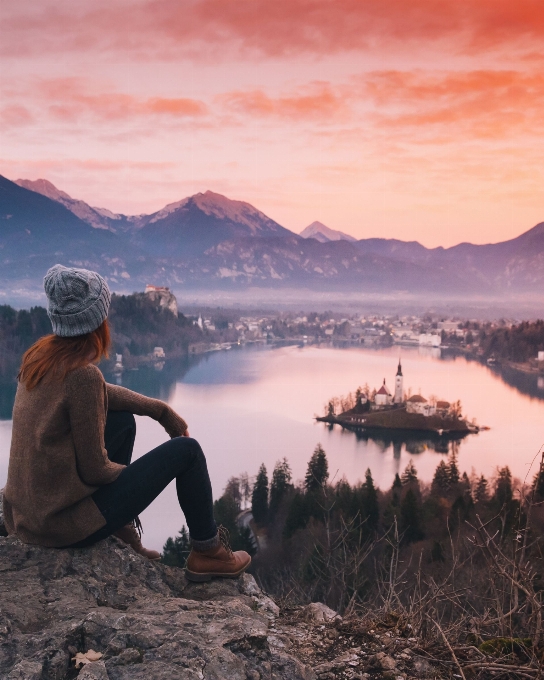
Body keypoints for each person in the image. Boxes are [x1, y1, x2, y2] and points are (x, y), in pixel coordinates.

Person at [2, 264, 251, 582]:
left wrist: (159, 410)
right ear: (95, 321)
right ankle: (208, 552)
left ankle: (119, 530)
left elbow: (102, 394)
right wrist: (139, 481)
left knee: (122, 422)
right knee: (187, 451)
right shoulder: (82, 375)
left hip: (27, 517)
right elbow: (95, 471)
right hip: (60, 526)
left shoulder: (39, 357)